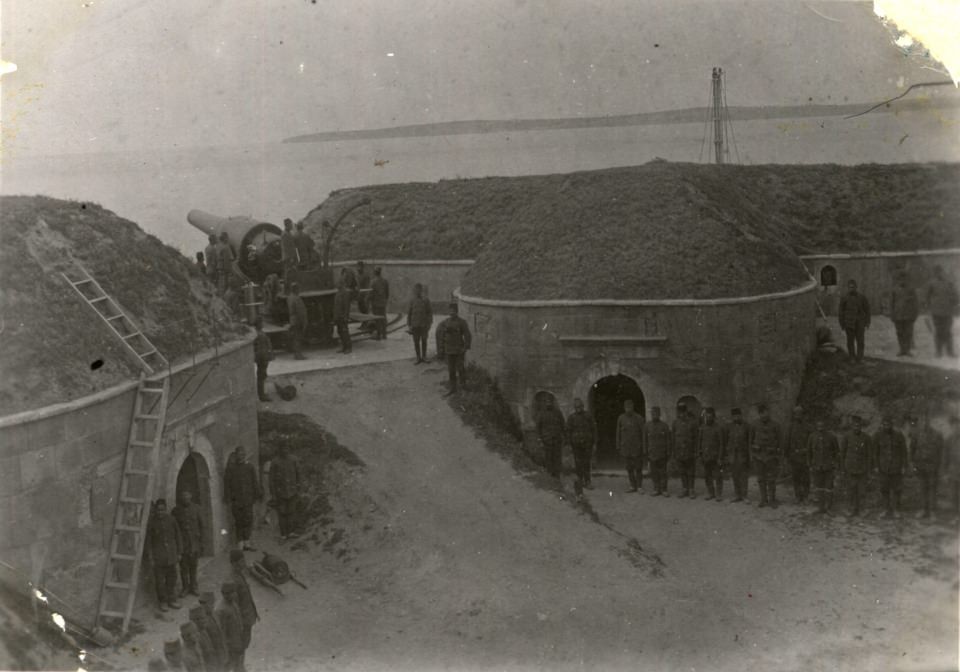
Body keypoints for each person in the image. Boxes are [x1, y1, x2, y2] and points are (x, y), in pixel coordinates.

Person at [146, 499, 182, 612]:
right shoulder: (152, 523)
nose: (160, 512)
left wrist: (179, 552)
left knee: (172, 579)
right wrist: (151, 557)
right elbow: (149, 542)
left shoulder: (172, 520)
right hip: (159, 557)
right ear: (155, 510)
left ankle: (172, 599)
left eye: (162, 510)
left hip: (171, 556)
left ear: (166, 509)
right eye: (158, 510)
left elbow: (178, 536)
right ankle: (163, 601)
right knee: (160, 582)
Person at [223, 447, 262, 551]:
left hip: (248, 499)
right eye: (239, 454)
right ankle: (240, 543)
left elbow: (254, 481)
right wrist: (227, 497)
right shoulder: (231, 468)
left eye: (243, 454)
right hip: (236, 500)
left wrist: (257, 494)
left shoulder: (249, 467)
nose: (241, 456)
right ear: (236, 455)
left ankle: (247, 543)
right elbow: (227, 484)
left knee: (248, 520)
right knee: (238, 521)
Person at [909, 414, 943, 519]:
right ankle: (923, 509)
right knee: (922, 488)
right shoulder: (917, 434)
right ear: (921, 422)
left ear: (930, 422)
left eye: (927, 421)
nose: (925, 423)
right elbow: (912, 449)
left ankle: (932, 511)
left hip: (932, 466)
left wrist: (939, 465)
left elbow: (941, 451)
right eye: (923, 421)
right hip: (921, 466)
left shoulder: (937, 435)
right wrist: (913, 463)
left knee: (932, 488)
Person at [229, 550, 259, 670]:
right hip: (242, 620)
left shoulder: (239, 574)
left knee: (244, 644)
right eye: (242, 561)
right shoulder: (234, 579)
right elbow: (234, 604)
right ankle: (238, 668)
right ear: (235, 563)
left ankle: (240, 666)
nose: (244, 562)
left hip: (247, 617)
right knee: (240, 646)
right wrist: (239, 622)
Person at [873, 414, 907, 519]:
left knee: (897, 489)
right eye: (884, 424)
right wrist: (876, 466)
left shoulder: (899, 435)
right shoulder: (877, 435)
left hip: (896, 467)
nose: (886, 426)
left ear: (892, 424)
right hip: (883, 468)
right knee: (884, 489)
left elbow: (904, 452)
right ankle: (885, 509)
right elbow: (875, 453)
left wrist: (904, 466)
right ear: (882, 424)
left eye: (889, 424)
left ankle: (896, 510)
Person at [171, 491, 203, 597]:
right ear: (180, 498)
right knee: (183, 567)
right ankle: (185, 587)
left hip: (194, 543)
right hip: (182, 544)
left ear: (191, 496)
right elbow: (174, 530)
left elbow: (202, 526)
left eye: (187, 496)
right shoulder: (176, 511)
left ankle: (194, 586)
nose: (185, 498)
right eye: (183, 496)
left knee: (193, 566)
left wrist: (202, 543)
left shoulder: (197, 509)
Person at [750, 404, 782, 508]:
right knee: (760, 478)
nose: (765, 415)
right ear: (759, 414)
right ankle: (763, 499)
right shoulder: (754, 425)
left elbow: (780, 441)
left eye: (766, 412)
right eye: (762, 413)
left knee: (771, 478)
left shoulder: (775, 425)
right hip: (758, 456)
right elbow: (750, 441)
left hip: (771, 456)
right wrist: (754, 450)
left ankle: (772, 499)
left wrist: (777, 452)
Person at [435, 302, 471, 395]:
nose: (452, 313)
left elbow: (467, 335)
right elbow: (441, 335)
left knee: (460, 368)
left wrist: (465, 347)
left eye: (454, 311)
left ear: (457, 312)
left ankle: (463, 387)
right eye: (450, 311)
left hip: (459, 350)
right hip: (449, 350)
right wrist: (441, 349)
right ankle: (453, 388)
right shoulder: (445, 322)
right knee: (451, 370)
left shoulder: (462, 322)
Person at [840, 415, 871, 517]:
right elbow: (843, 453)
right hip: (850, 467)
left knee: (862, 490)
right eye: (854, 425)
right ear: (852, 426)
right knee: (850, 489)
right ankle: (850, 509)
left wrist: (868, 468)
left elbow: (869, 454)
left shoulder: (866, 438)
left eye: (858, 426)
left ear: (861, 426)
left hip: (862, 468)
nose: (856, 427)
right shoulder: (846, 436)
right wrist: (843, 468)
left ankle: (862, 510)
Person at [808, 418, 840, 514]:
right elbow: (809, 452)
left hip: (828, 467)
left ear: (826, 426)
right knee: (818, 487)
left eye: (822, 426)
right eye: (818, 426)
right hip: (817, 466)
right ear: (816, 427)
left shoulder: (832, 437)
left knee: (829, 487)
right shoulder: (812, 437)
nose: (820, 428)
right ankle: (820, 507)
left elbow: (837, 452)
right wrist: (810, 464)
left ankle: (828, 508)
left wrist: (834, 463)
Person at [270, 445, 301, 540]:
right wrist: (273, 494)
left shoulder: (294, 459)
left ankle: (291, 532)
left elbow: (298, 474)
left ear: (289, 449)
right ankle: (283, 534)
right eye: (283, 448)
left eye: (287, 448)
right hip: (280, 492)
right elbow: (271, 479)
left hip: (292, 491)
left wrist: (298, 488)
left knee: (291, 512)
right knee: (282, 513)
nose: (285, 450)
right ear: (280, 450)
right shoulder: (275, 462)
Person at [926, 265, 958, 358]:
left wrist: (952, 302)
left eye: (941, 272)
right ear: (935, 273)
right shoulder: (931, 283)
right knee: (939, 331)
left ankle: (950, 351)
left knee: (948, 331)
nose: (940, 274)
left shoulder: (949, 283)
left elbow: (956, 296)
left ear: (943, 272)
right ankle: (938, 352)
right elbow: (926, 297)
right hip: (936, 312)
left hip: (947, 312)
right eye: (937, 272)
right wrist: (930, 307)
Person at [566, 398, 596, 489]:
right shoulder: (571, 418)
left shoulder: (588, 416)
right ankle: (580, 481)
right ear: (574, 408)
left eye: (580, 406)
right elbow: (568, 431)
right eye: (576, 407)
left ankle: (588, 481)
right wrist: (569, 444)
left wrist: (594, 443)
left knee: (586, 463)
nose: (578, 408)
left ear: (583, 406)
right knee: (578, 463)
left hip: (587, 444)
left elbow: (594, 430)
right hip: (576, 445)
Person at [838, 279, 871, 362]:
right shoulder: (844, 298)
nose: (851, 289)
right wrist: (842, 324)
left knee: (861, 341)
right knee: (850, 341)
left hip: (860, 323)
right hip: (849, 323)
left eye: (853, 287)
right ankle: (852, 357)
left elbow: (867, 310)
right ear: (848, 288)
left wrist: (867, 322)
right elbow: (840, 312)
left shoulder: (862, 297)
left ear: (856, 287)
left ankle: (860, 357)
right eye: (850, 287)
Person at [722, 408, 751, 503]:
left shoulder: (746, 426)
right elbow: (726, 440)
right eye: (734, 416)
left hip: (743, 454)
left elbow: (749, 441)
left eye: (738, 415)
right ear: (732, 417)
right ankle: (737, 494)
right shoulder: (728, 427)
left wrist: (749, 455)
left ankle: (744, 495)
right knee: (735, 475)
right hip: (732, 454)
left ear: (741, 415)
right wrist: (727, 453)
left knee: (743, 475)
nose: (736, 417)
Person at [617, 399, 645, 493]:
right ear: (624, 408)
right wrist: (618, 446)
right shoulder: (621, 418)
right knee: (629, 468)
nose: (628, 409)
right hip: (626, 447)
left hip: (637, 447)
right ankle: (632, 485)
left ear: (633, 407)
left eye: (630, 407)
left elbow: (643, 434)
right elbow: (618, 433)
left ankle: (640, 486)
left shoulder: (639, 418)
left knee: (638, 468)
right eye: (626, 407)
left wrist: (643, 447)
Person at [785, 406, 811, 504]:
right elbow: (787, 442)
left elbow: (811, 442)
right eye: (796, 414)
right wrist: (787, 456)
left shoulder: (808, 427)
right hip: (794, 457)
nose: (798, 416)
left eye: (800, 413)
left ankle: (806, 496)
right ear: (794, 415)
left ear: (803, 414)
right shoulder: (790, 427)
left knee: (806, 478)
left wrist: (808, 452)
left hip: (805, 457)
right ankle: (797, 496)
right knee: (796, 477)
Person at [216, 583, 245, 672]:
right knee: (229, 665)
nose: (229, 595)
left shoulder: (233, 602)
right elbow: (222, 631)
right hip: (230, 644)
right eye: (226, 593)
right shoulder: (221, 610)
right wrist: (226, 647)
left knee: (239, 661)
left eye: (231, 592)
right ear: (222, 593)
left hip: (238, 639)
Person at [672, 403, 698, 498]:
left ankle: (691, 489)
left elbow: (696, 438)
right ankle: (684, 489)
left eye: (683, 412)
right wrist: (674, 451)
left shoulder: (692, 423)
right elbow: (673, 438)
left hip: (689, 451)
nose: (682, 415)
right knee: (682, 471)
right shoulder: (675, 423)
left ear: (686, 412)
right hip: (679, 451)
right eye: (680, 413)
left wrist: (696, 451)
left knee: (690, 471)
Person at [645, 407, 672, 496]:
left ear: (659, 415)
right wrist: (646, 452)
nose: (654, 415)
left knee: (663, 472)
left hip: (662, 453)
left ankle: (664, 489)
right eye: (653, 414)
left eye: (656, 414)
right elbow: (645, 440)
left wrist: (668, 452)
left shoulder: (664, 426)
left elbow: (668, 440)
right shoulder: (647, 426)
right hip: (652, 453)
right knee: (654, 472)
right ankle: (656, 489)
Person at [537, 397, 566, 479]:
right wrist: (540, 439)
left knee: (557, 458)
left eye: (550, 402)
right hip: (547, 440)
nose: (548, 403)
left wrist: (565, 437)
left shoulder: (558, 413)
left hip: (557, 440)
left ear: (553, 403)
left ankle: (557, 477)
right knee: (548, 458)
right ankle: (550, 477)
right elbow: (538, 427)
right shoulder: (541, 414)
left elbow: (563, 425)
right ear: (544, 403)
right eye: (547, 402)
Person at [198, 591, 230, 670]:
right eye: (210, 604)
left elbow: (221, 631)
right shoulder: (203, 622)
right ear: (203, 605)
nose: (213, 606)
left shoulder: (215, 614)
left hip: (222, 651)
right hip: (214, 657)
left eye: (213, 603)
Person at [890, 274, 919, 357]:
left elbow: (915, 303)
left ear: (907, 279)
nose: (902, 281)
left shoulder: (911, 289)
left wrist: (915, 314)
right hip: (898, 315)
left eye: (904, 278)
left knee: (908, 333)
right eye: (900, 279)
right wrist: (892, 314)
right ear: (898, 280)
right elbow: (891, 303)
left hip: (909, 316)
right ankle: (902, 350)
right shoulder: (894, 290)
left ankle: (908, 350)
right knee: (900, 333)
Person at [698, 407, 723, 501]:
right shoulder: (702, 428)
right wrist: (700, 454)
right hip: (706, 456)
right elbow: (699, 442)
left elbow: (721, 444)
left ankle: (718, 494)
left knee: (718, 476)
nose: (708, 418)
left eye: (710, 416)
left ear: (713, 417)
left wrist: (720, 457)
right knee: (707, 475)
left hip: (715, 457)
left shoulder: (718, 428)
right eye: (706, 416)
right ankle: (710, 492)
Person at [407, 283, 433, 363]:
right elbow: (409, 313)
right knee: (416, 341)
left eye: (419, 290)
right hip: (415, 325)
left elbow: (430, 313)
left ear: (421, 290)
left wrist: (429, 324)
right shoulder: (412, 300)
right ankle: (418, 357)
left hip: (424, 325)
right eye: (416, 290)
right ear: (415, 291)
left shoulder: (426, 300)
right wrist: (409, 325)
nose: (417, 291)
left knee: (424, 340)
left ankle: (424, 356)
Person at [187, 607, 219, 672]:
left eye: (204, 617)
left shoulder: (204, 631)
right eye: (200, 619)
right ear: (193, 621)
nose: (204, 620)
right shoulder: (196, 639)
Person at [286, 283, 308, 360]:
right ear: (295, 289)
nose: (299, 290)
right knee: (298, 338)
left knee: (295, 337)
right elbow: (300, 311)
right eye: (298, 289)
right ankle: (298, 355)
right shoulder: (297, 298)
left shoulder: (289, 297)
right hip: (298, 320)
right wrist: (304, 322)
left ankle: (296, 354)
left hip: (292, 320)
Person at [945, 416, 960, 522]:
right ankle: (956, 516)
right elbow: (945, 457)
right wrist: (945, 473)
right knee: (953, 495)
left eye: (958, 425)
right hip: (953, 471)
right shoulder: (949, 440)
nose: (956, 428)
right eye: (953, 426)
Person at [253, 318, 272, 402]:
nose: (263, 324)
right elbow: (261, 349)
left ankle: (262, 394)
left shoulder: (258, 333)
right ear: (259, 324)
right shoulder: (259, 334)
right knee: (261, 376)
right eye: (262, 322)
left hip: (262, 357)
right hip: (262, 358)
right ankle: (262, 395)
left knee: (262, 376)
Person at [370, 267, 390, 340]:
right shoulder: (385, 281)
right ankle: (384, 335)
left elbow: (371, 293)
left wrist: (369, 300)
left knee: (377, 319)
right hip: (383, 303)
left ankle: (378, 335)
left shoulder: (373, 282)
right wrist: (384, 300)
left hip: (375, 303)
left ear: (375, 273)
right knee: (383, 318)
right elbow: (387, 293)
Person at [333, 281, 352, 354]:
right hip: (338, 316)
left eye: (338, 284)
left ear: (341, 284)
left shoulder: (345, 293)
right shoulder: (338, 293)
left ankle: (348, 347)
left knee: (345, 332)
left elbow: (347, 306)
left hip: (342, 316)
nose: (337, 285)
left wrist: (345, 317)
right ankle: (344, 347)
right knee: (340, 332)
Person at [280, 218, 298, 286]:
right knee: (288, 273)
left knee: (291, 273)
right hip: (288, 257)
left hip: (290, 257)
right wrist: (291, 258)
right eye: (291, 224)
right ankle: (288, 289)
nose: (292, 226)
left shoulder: (288, 233)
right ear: (287, 225)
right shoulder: (285, 234)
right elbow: (286, 248)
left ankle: (290, 287)